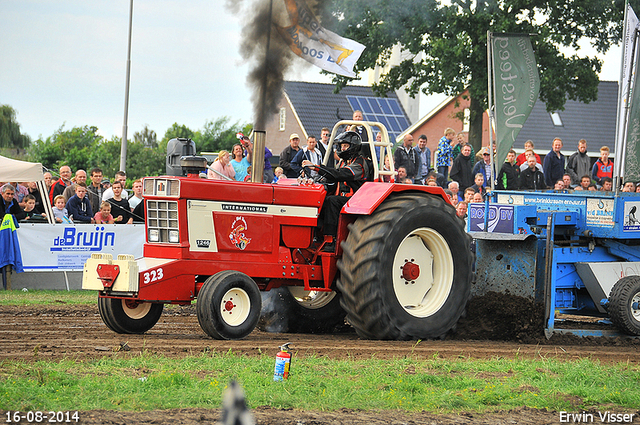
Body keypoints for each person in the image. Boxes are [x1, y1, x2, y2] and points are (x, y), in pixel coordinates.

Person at [302, 131, 371, 251]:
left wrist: (317, 167)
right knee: (320, 198)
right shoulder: (343, 162)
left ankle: (331, 239)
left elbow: (340, 174)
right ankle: (314, 235)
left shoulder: (360, 163)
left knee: (332, 201)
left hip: (357, 200)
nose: (342, 148)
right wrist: (315, 181)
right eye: (341, 146)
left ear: (353, 146)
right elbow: (331, 177)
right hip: (344, 198)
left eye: (345, 146)